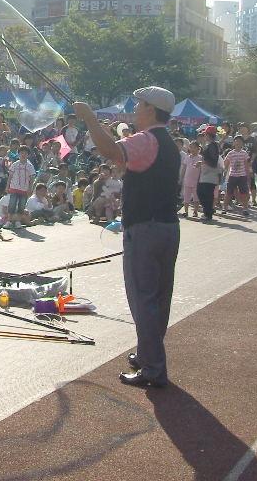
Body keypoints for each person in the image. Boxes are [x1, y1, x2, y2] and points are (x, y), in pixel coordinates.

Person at [73, 86, 180, 388]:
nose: (135, 110)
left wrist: (90, 120)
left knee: (142, 298)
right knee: (159, 297)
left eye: (139, 105)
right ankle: (149, 353)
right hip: (167, 227)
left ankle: (153, 367)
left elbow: (112, 153)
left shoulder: (146, 140)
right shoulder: (167, 142)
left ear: (150, 110)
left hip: (144, 228)